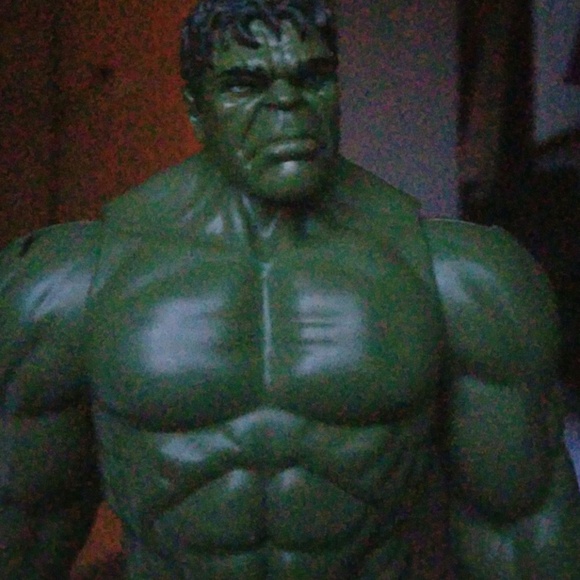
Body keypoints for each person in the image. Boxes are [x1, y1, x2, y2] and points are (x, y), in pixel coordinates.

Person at [1, 1, 579, 577]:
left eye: (313, 77)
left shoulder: (465, 280)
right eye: (244, 84)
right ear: (196, 108)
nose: (286, 105)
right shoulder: (64, 287)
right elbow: (25, 524)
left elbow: (521, 528)